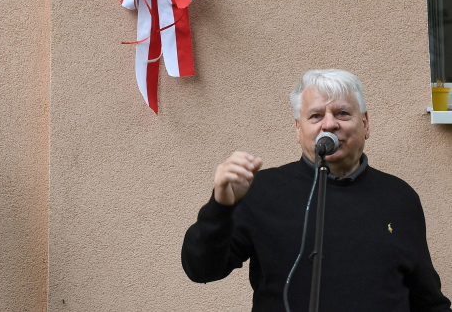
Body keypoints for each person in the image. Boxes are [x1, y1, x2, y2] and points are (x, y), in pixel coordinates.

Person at [181, 69, 450, 311]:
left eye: (343, 113)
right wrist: (220, 207)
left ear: (365, 123)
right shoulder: (262, 190)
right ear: (298, 129)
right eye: (316, 116)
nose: (330, 124)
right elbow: (201, 269)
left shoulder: (399, 196)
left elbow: (426, 299)